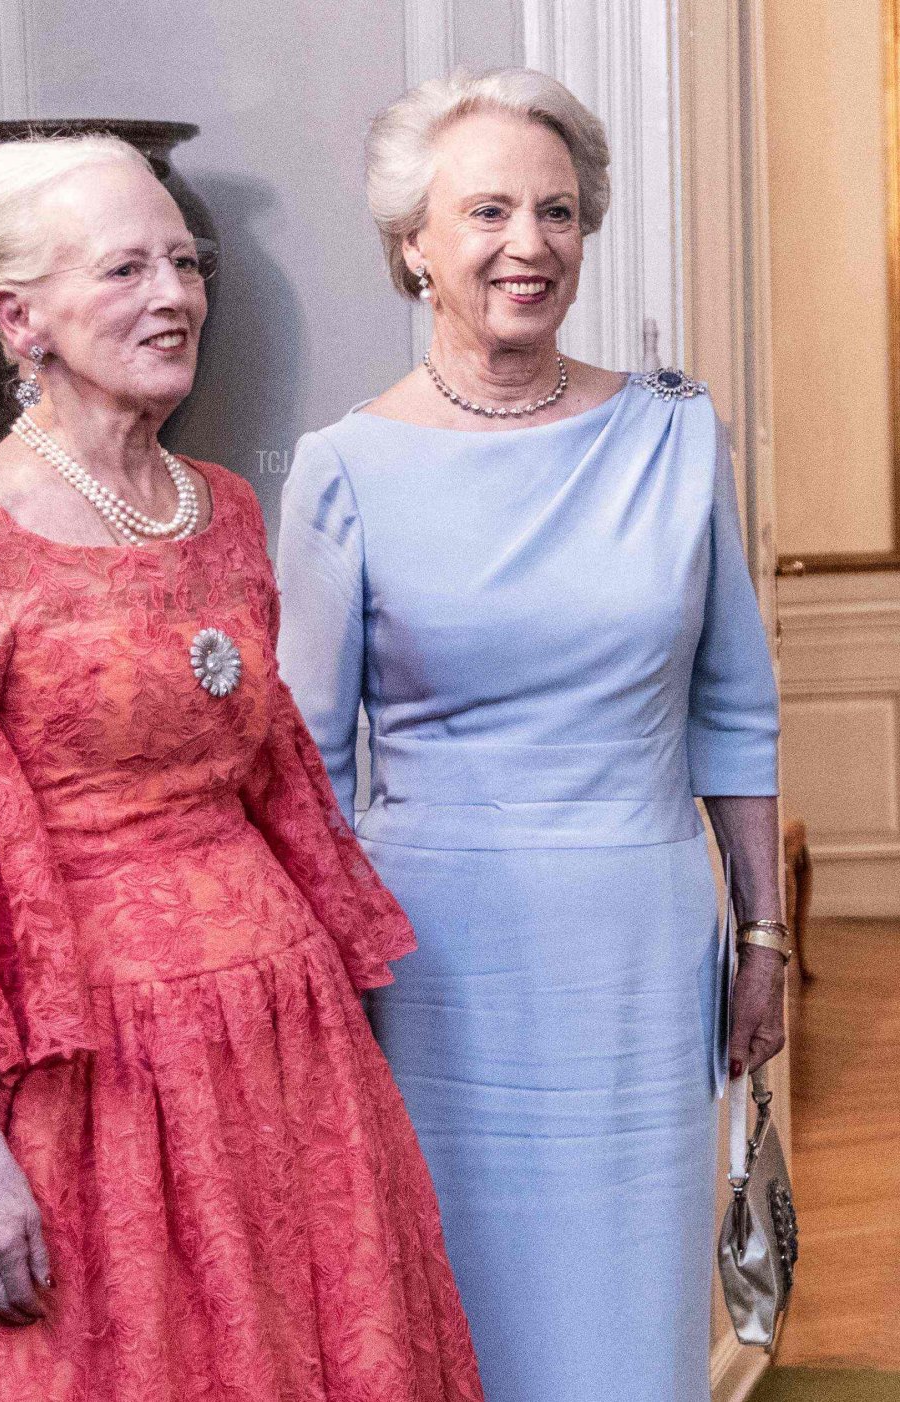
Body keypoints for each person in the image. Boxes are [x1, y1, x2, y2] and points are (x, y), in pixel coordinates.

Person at [0, 134, 482, 1402]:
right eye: (126, 269)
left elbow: (273, 784)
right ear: (20, 318)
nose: (175, 296)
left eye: (184, 261)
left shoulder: (221, 506)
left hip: (275, 1042)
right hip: (78, 1077)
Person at [277, 69, 786, 1402]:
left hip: (639, 938)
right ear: (414, 245)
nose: (530, 243)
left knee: (631, 1313)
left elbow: (732, 704)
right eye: (488, 209)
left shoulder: (677, 427)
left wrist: (764, 935)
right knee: (457, 1305)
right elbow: (310, 766)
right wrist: (322, 987)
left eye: (558, 211)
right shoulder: (344, 463)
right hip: (435, 956)